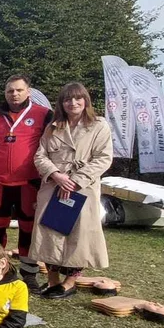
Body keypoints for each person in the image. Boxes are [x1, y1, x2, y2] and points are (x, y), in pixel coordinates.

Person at [30, 83, 113, 299]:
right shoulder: (53, 127)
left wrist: (75, 181)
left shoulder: (98, 125)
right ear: (62, 103)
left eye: (77, 98)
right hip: (54, 186)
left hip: (82, 188)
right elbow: (40, 155)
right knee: (49, 233)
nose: (73, 103)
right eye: (67, 99)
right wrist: (56, 175)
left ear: (85, 100)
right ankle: (52, 280)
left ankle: (70, 282)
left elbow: (103, 158)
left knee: (79, 235)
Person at [0, 75, 53, 290]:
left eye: (19, 90)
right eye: (10, 91)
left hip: (29, 183)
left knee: (28, 229)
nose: (14, 94)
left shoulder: (43, 114)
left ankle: (29, 274)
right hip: (0, 183)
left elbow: (54, 146)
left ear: (28, 91)